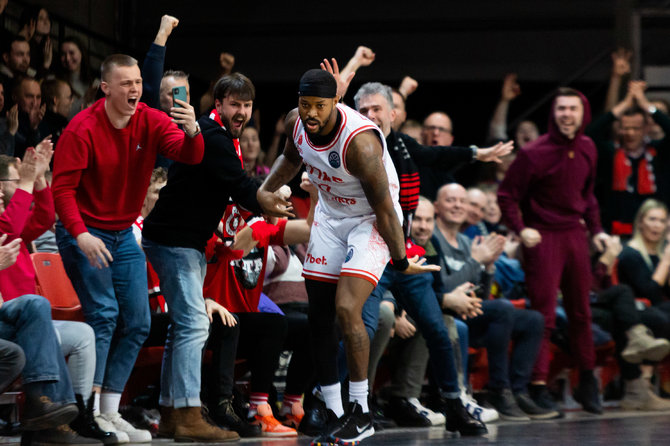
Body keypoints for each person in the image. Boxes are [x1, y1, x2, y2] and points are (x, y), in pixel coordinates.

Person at [258, 66, 452, 446]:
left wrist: (399, 261)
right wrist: (265, 190)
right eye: (305, 105)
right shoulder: (297, 123)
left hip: (371, 218)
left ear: (336, 103)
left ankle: (360, 412)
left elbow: (383, 208)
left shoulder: (360, 143)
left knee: (348, 309)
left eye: (319, 106)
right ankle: (334, 412)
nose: (311, 114)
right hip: (332, 213)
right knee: (319, 316)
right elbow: (289, 159)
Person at [52, 53, 204, 443]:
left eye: (138, 82)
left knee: (138, 322)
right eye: (125, 83)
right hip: (83, 232)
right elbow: (62, 190)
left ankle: (110, 412)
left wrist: (192, 131)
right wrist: (81, 234)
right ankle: (83, 412)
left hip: (120, 233)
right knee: (104, 314)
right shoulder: (80, 129)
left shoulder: (151, 120)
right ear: (105, 88)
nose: (135, 89)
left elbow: (190, 155)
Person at [142, 72, 285, 442]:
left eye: (247, 105)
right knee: (192, 326)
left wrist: (264, 198)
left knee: (182, 329)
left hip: (179, 240)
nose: (242, 112)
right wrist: (268, 199)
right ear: (218, 104)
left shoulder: (221, 136)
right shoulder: (214, 137)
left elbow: (239, 187)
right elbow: (242, 188)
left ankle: (173, 412)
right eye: (234, 104)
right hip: (174, 241)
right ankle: (189, 414)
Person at [498, 87, 610, 414]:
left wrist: (598, 230)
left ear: (583, 113)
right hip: (544, 236)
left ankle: (587, 380)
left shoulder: (589, 148)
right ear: (554, 112)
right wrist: (521, 229)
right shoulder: (534, 152)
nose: (566, 114)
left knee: (581, 312)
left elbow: (588, 196)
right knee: (544, 315)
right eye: (561, 108)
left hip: (575, 233)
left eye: (572, 109)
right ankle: (538, 384)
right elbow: (506, 196)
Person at [586, 80, 670, 236]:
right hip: (617, 232)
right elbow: (591, 134)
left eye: (636, 128)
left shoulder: (658, 151)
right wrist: (625, 104)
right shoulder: (610, 151)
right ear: (620, 129)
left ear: (646, 128)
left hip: (655, 231)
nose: (630, 133)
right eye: (626, 128)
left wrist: (647, 106)